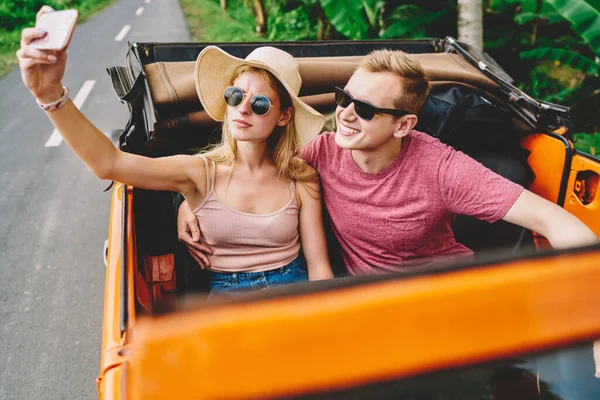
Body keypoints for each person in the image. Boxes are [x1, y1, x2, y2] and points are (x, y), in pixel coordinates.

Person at [177, 48, 599, 275]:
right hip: (368, 302)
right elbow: (252, 171)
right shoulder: (323, 152)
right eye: (344, 99)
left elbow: (554, 221)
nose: (343, 114)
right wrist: (189, 199)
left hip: (443, 295)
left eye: (363, 108)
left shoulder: (441, 168)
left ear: (404, 125)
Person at [17, 6, 334, 295]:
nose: (244, 109)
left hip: (292, 291)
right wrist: (49, 94)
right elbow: (108, 162)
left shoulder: (302, 178)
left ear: (284, 116)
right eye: (236, 95)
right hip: (227, 297)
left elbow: (319, 268)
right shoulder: (200, 172)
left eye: (260, 103)